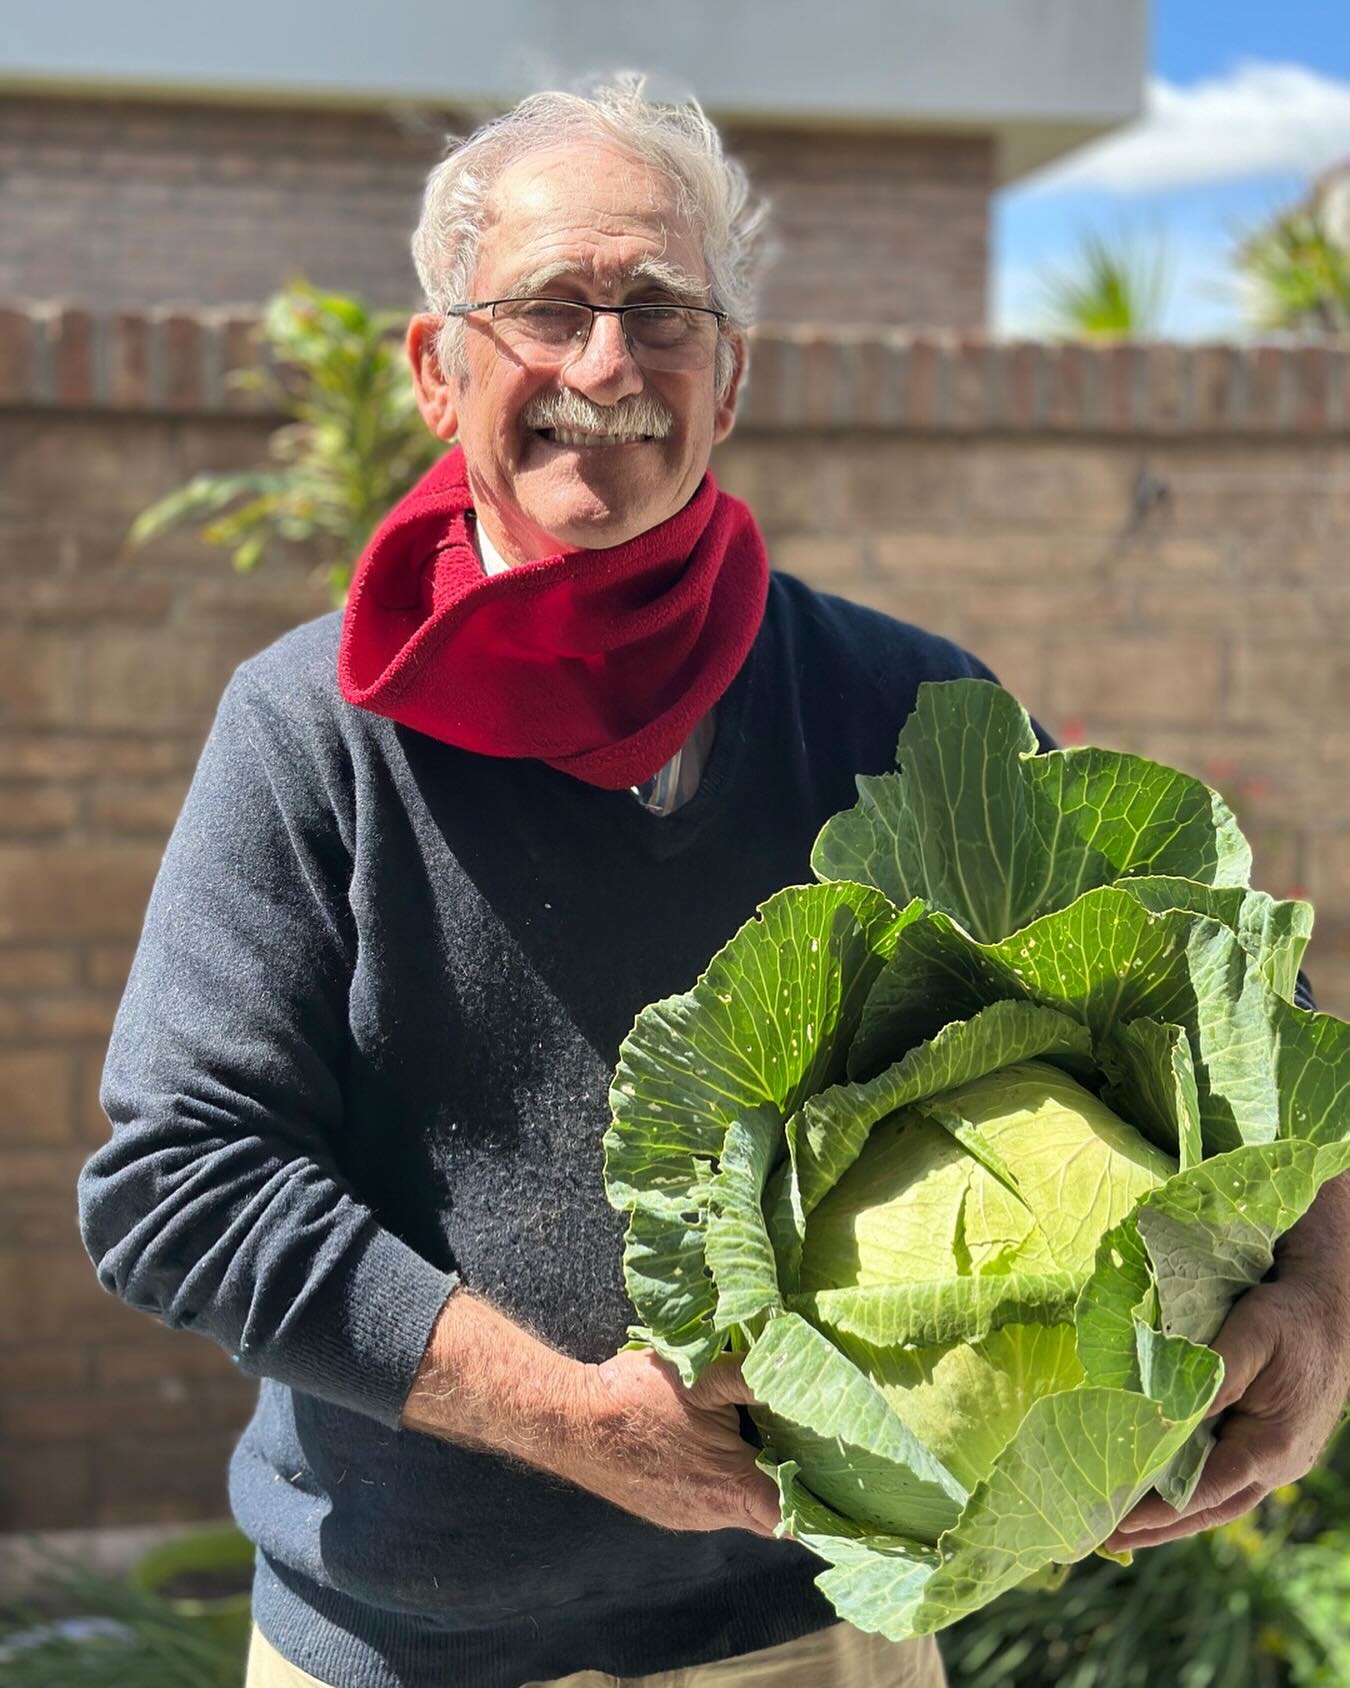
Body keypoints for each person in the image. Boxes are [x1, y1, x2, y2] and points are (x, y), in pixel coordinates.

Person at [77, 78, 1348, 1688]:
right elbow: (179, 1185)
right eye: (548, 307)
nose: (604, 366)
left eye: (662, 313)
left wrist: (1319, 1302)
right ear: (434, 366)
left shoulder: (900, 714)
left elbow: (1245, 1020)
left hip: (818, 1635)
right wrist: (569, 1419)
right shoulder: (315, 733)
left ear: (728, 378)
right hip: (419, 1649)